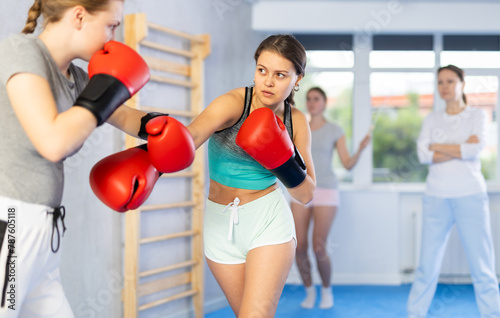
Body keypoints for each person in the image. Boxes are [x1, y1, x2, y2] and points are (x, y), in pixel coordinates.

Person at [0, 1, 174, 316]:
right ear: (79, 16)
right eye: (112, 25)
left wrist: (161, 129)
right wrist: (110, 88)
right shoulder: (21, 51)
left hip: (46, 230)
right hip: (10, 223)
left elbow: (124, 116)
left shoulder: (77, 78)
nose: (114, 38)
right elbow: (53, 142)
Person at [182, 34, 315, 317]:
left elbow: (306, 194)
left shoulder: (297, 121)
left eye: (280, 75)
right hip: (220, 224)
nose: (268, 81)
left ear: (298, 79)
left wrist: (281, 160)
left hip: (266, 220)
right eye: (262, 70)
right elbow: (190, 136)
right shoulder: (233, 103)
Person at [407, 64, 500, 318]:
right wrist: (458, 147)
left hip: (470, 194)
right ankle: (415, 313)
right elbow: (423, 155)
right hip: (436, 196)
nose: (444, 87)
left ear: (462, 84)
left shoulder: (477, 116)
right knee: (427, 264)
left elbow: (474, 150)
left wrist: (438, 146)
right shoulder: (432, 118)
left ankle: (492, 314)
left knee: (482, 264)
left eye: (450, 81)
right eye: (440, 82)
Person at [290, 86, 371, 309]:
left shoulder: (335, 130)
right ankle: (309, 292)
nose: (312, 102)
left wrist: (361, 148)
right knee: (299, 247)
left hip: (326, 189)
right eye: (309, 99)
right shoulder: (297, 127)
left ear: (325, 103)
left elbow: (347, 164)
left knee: (318, 248)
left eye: (317, 99)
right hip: (300, 189)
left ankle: (326, 291)